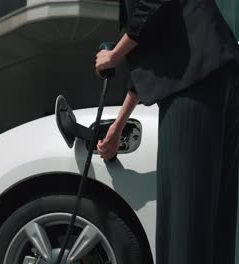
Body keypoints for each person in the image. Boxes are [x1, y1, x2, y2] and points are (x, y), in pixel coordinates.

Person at [94, 0, 239, 263]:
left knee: (184, 223)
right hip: (214, 75)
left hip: (195, 84)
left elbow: (153, 5)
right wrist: (118, 126)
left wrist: (114, 55)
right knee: (214, 227)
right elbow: (159, 56)